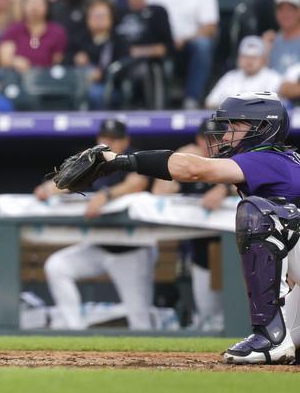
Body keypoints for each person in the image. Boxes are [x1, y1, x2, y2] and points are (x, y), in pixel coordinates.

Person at [76, 92, 300, 364]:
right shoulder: (283, 160)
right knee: (295, 343)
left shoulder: (268, 158)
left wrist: (121, 161)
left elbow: (192, 170)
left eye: (236, 124)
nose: (227, 132)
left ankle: (269, 336)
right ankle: (277, 338)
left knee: (256, 214)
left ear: (263, 127)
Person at [35, 119, 154, 331]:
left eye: (114, 139)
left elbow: (138, 183)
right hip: (98, 245)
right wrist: (47, 189)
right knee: (57, 266)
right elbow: (66, 181)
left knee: (139, 321)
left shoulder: (134, 157)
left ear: (125, 141)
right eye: (104, 138)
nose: (108, 143)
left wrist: (106, 195)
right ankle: (75, 330)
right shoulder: (92, 159)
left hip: (131, 249)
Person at [152, 119, 228, 332]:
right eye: (206, 138)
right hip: (201, 250)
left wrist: (224, 190)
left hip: (236, 252)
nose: (210, 143)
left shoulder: (231, 161)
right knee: (208, 316)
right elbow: (159, 192)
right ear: (197, 139)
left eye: (215, 138)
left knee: (235, 315)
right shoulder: (191, 164)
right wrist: (178, 164)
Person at [205, 37, 282, 108]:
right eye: (245, 56)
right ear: (239, 58)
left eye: (254, 57)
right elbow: (210, 102)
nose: (249, 61)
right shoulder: (230, 76)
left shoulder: (273, 77)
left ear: (263, 59)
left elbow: (271, 106)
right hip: (228, 120)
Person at [268, 0, 300, 76]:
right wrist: (265, 51)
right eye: (281, 10)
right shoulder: (271, 41)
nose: (285, 14)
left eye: (290, 10)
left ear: (298, 12)